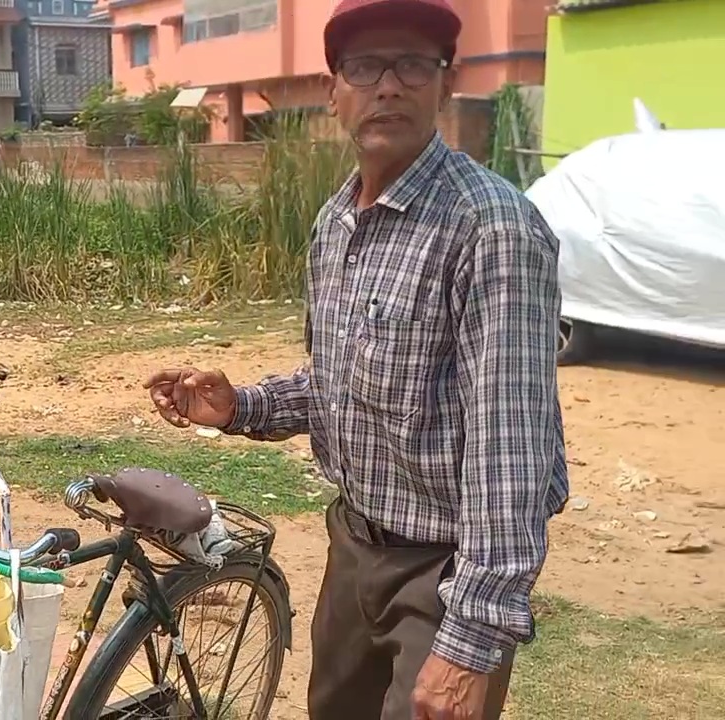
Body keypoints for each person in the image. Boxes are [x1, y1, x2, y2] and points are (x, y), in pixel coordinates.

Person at [141, 0, 569, 718]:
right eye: (365, 66)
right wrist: (243, 405)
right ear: (333, 90)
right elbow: (339, 384)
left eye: (412, 65)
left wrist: (471, 639)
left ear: (447, 82)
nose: (388, 85)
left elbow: (510, 450)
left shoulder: (492, 229)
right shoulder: (336, 223)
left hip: (443, 571)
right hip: (353, 545)